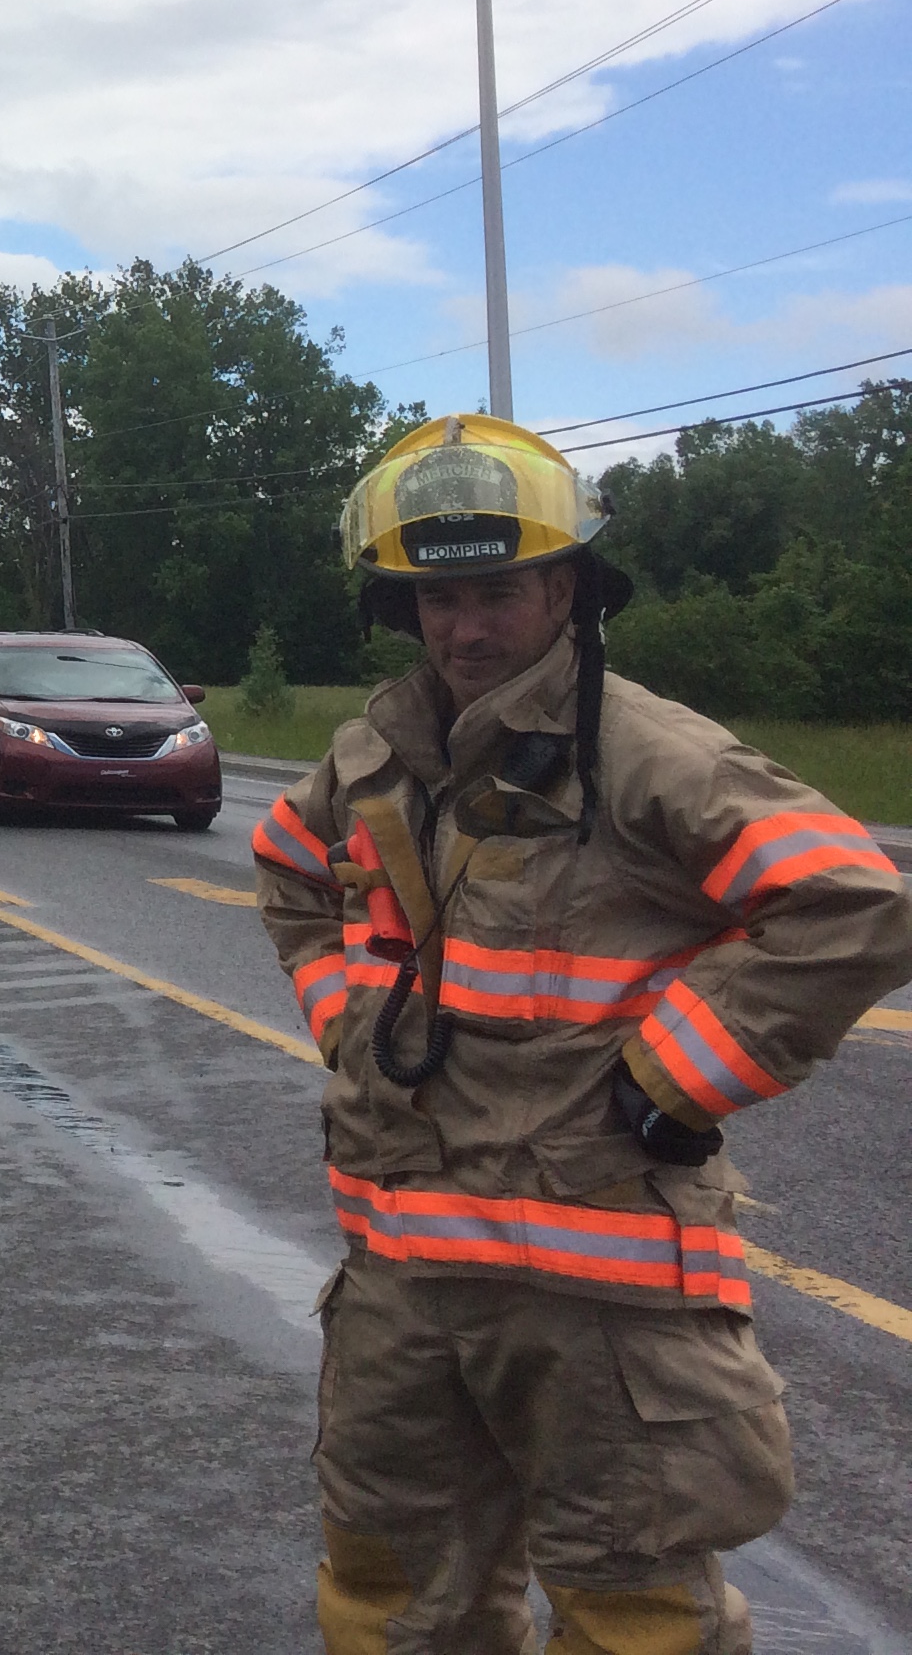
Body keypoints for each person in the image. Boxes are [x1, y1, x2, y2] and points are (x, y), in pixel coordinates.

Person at [257, 415, 912, 1654]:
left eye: (497, 590)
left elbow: (849, 900)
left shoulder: (641, 750)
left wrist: (671, 1083)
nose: (465, 627)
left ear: (566, 587)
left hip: (601, 1303)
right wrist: (349, 1025)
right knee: (389, 1602)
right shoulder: (382, 755)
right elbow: (292, 872)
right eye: (435, 597)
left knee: (632, 1615)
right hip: (404, 1282)